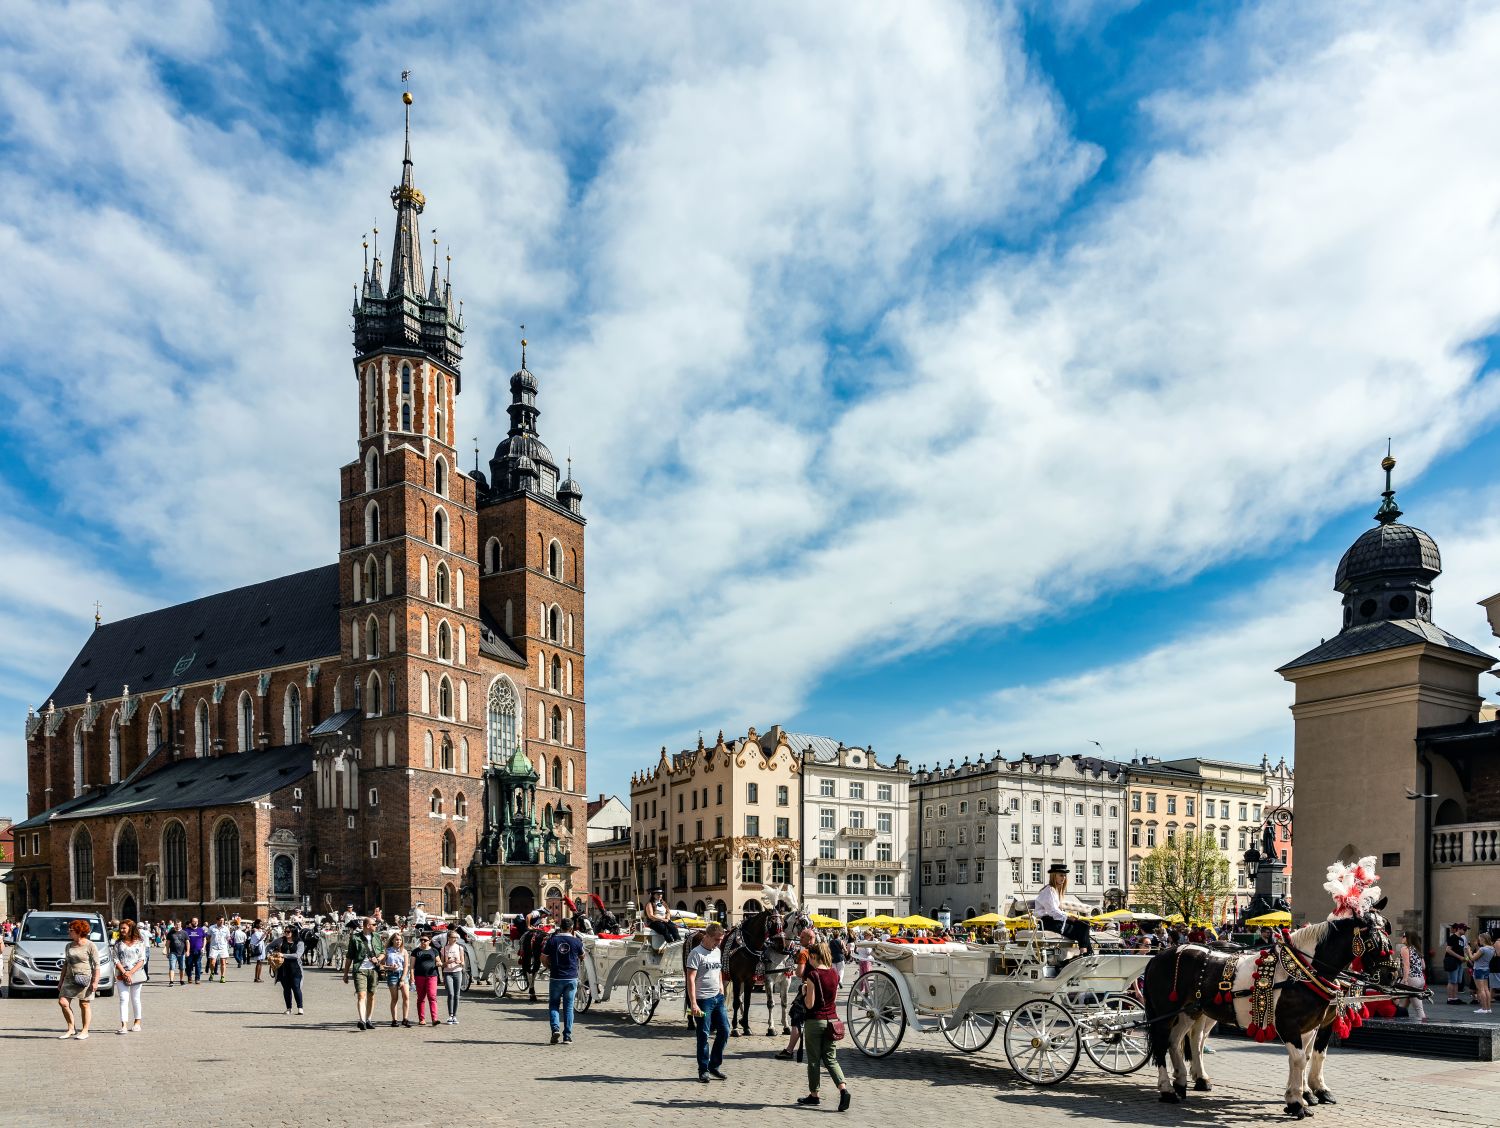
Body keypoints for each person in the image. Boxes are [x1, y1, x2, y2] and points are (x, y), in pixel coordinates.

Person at [797, 940, 851, 1111]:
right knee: (830, 1058)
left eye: (810, 958)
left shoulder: (813, 975)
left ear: (814, 956)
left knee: (813, 1060)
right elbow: (833, 999)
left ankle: (814, 1095)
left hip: (815, 1021)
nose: (809, 962)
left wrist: (805, 991)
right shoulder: (834, 973)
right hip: (832, 1021)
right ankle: (843, 1089)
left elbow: (810, 1004)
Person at [686, 922, 729, 1082]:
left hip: (718, 998)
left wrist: (721, 987)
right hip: (703, 1000)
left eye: (721, 940)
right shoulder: (696, 953)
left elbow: (718, 970)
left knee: (725, 1031)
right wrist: (693, 1003)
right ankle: (703, 1069)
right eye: (717, 939)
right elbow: (690, 979)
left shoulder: (717, 951)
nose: (719, 943)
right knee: (703, 1034)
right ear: (707, 936)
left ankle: (714, 1065)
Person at [541, 917, 583, 1044]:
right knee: (568, 1007)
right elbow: (582, 956)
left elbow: (543, 957)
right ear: (571, 928)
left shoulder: (552, 940)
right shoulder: (576, 941)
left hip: (556, 977)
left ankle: (555, 1029)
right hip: (571, 978)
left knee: (554, 1004)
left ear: (560, 927)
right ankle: (567, 1036)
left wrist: (548, 966)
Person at [1034, 864, 1092, 955]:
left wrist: (1068, 917)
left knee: (1085, 924)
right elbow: (1052, 911)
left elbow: (1055, 912)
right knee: (1083, 927)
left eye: (1064, 875)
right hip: (1047, 922)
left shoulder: (1055, 890)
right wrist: (1068, 917)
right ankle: (1085, 953)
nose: (1063, 878)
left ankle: (1087, 952)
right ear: (1054, 876)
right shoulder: (1049, 890)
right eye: (1061, 875)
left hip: (1054, 921)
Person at [57, 918, 100, 1039]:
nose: (69, 932)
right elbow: (66, 964)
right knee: (63, 1002)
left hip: (84, 978)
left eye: (71, 930)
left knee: (84, 1004)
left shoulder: (90, 945)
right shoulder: (69, 946)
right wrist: (61, 981)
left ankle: (85, 1030)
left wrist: (95, 982)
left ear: (79, 931)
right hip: (69, 978)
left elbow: (96, 965)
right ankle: (71, 1028)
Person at [344, 917, 382, 1030]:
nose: (376, 926)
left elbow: (383, 952)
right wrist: (345, 973)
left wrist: (378, 959)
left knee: (371, 995)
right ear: (368, 925)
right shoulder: (355, 938)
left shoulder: (377, 936)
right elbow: (349, 956)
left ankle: (368, 1019)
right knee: (361, 995)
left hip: (373, 970)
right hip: (360, 969)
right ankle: (362, 1020)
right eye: (374, 924)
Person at [113, 919, 147, 1034]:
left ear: (130, 929)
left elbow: (142, 959)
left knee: (135, 999)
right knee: (123, 999)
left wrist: (130, 972)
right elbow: (115, 959)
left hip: (136, 974)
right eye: (121, 928)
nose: (122, 930)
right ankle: (124, 1025)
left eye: (124, 928)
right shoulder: (118, 943)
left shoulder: (140, 942)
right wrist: (124, 972)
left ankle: (137, 1023)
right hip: (121, 974)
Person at [410, 932, 440, 1027]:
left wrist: (439, 963)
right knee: (421, 998)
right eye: (421, 940)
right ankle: (422, 1019)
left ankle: (434, 1019)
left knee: (432, 997)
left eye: (425, 940)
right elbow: (412, 966)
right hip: (419, 976)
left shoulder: (434, 951)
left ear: (429, 941)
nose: (422, 941)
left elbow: (438, 961)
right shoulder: (416, 951)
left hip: (432, 976)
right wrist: (412, 977)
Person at [1398, 930, 1427, 1022]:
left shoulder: (1405, 949)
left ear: (1408, 938)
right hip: (1420, 979)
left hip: (1411, 979)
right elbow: (1423, 966)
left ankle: (1423, 1025)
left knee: (1418, 1008)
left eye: (1404, 936)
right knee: (1403, 1005)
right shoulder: (1416, 949)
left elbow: (1406, 965)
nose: (1402, 938)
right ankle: (1401, 1022)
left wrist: (1405, 980)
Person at [383, 931, 411, 1027]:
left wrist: (403, 978)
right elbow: (382, 965)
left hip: (403, 974)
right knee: (395, 998)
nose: (398, 941)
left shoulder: (404, 951)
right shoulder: (387, 951)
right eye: (396, 940)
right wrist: (389, 967)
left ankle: (405, 1019)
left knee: (406, 996)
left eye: (400, 940)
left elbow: (406, 966)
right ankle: (394, 1020)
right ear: (392, 940)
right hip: (392, 974)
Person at [441, 927, 467, 1025]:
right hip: (447, 972)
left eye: (456, 937)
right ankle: (450, 1015)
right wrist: (447, 962)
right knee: (450, 994)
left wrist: (459, 962)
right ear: (449, 938)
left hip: (457, 972)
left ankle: (454, 1016)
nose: (455, 939)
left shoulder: (460, 948)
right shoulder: (444, 949)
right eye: (453, 937)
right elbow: (442, 964)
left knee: (457, 994)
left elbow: (463, 963)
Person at [276, 926, 305, 1015]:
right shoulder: (281, 940)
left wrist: (283, 955)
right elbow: (269, 947)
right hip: (283, 968)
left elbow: (297, 955)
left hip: (295, 968)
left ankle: (300, 1007)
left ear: (293, 932)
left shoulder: (299, 942)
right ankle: (288, 1008)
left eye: (288, 932)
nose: (286, 933)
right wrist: (272, 954)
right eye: (285, 931)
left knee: (296, 987)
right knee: (286, 989)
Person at [1443, 924, 1470, 1005]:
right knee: (1452, 980)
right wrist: (1459, 957)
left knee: (1457, 981)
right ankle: (1450, 998)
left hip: (1459, 962)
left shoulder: (1461, 939)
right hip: (1452, 961)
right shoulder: (1453, 937)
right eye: (1464, 929)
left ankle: (1455, 997)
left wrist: (1466, 958)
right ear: (1458, 929)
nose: (1465, 931)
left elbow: (1462, 950)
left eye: (1466, 929)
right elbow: (1448, 950)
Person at [1473, 932, 1494, 1015]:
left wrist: (1468, 951)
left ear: (1483, 939)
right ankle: (1488, 1008)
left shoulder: (1483, 949)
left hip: (1479, 969)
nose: (1479, 941)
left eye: (1480, 939)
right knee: (1486, 989)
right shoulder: (1492, 949)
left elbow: (1473, 958)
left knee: (1481, 990)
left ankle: (1484, 1008)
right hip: (1486, 969)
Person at [183, 917, 207, 984]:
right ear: (191, 922)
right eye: (194, 921)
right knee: (189, 965)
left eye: (197, 921)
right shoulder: (186, 930)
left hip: (198, 950)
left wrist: (203, 947)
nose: (195, 922)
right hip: (189, 950)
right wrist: (185, 950)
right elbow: (183, 940)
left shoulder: (200, 930)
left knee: (198, 964)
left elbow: (204, 938)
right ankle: (189, 976)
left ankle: (197, 978)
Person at [165, 921, 188, 986]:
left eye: (179, 925)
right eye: (176, 925)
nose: (178, 926)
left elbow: (187, 942)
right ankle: (171, 981)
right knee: (172, 967)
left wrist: (188, 951)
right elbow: (168, 943)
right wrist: (167, 952)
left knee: (182, 967)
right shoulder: (171, 933)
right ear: (174, 925)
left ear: (181, 925)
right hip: (173, 953)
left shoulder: (184, 933)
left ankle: (181, 980)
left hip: (182, 953)